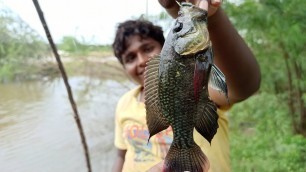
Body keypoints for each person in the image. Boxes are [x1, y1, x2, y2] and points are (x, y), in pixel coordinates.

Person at [111, 0, 261, 171]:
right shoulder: (124, 103)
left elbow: (245, 86)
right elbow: (120, 154)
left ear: (164, 47)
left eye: (147, 48)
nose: (141, 60)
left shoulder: (204, 81)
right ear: (124, 68)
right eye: (130, 58)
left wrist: (211, 18)